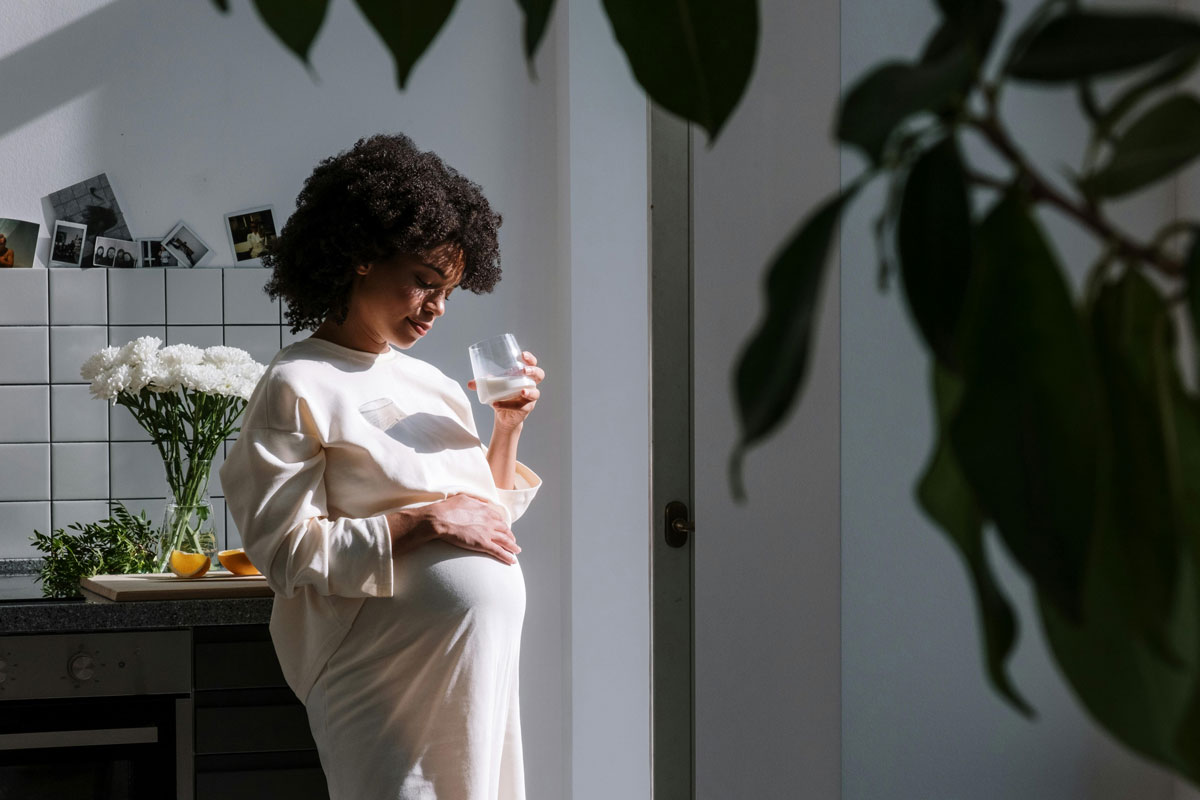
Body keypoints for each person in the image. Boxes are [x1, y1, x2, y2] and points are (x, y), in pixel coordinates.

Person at [220, 132, 545, 800]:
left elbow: (481, 517)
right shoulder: (298, 381)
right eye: (424, 284)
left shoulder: (434, 384)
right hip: (379, 674)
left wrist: (507, 427)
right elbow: (284, 552)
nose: (436, 310)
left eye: (449, 292)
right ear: (362, 258)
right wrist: (422, 521)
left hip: (476, 675)